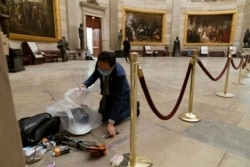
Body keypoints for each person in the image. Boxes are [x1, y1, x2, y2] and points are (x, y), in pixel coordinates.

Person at [80, 51, 139, 137]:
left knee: (115, 119)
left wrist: (111, 124)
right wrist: (85, 84)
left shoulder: (119, 75)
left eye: (105, 70)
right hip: (107, 94)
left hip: (122, 96)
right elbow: (95, 75)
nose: (101, 71)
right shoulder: (100, 63)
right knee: (101, 116)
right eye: (100, 68)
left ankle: (133, 108)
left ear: (113, 66)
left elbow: (117, 100)